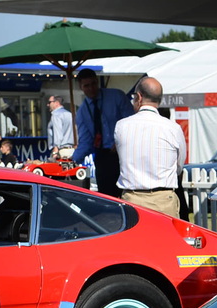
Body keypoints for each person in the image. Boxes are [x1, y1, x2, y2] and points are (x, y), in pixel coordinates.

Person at [115, 77, 186, 219]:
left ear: (139, 97)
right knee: (165, 241)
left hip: (132, 199)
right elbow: (178, 166)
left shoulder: (122, 126)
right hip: (164, 200)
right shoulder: (174, 128)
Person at [72, 68, 134, 195]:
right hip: (102, 157)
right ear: (80, 86)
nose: (91, 88)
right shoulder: (82, 112)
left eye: (93, 84)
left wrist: (120, 141)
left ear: (97, 81)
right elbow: (86, 141)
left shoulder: (116, 96)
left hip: (123, 154)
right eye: (86, 85)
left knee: (127, 195)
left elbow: (132, 122)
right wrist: (74, 159)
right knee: (107, 197)